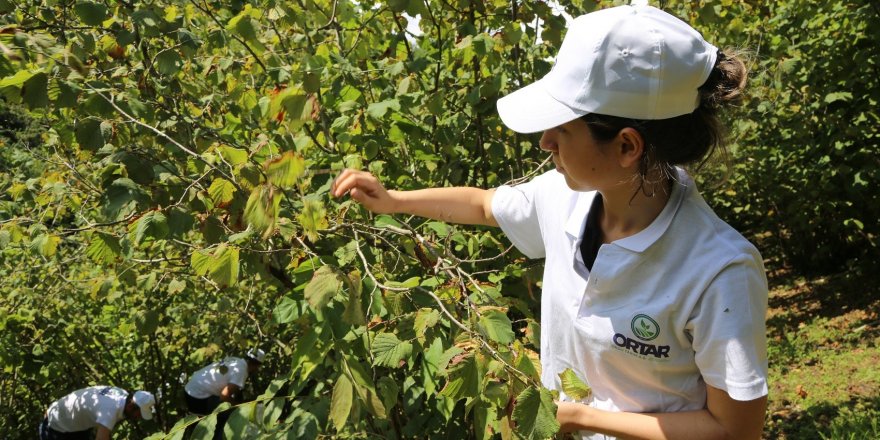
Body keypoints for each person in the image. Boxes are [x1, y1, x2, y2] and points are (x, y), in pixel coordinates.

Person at [331, 2, 768, 439]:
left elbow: (733, 431)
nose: (544, 142)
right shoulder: (566, 197)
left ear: (626, 147)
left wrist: (578, 417)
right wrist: (393, 200)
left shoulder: (719, 271)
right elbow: (484, 205)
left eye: (562, 128)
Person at [184, 348, 265, 438]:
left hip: (191, 388)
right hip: (198, 395)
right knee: (225, 416)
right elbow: (224, 396)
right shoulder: (241, 371)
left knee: (202, 423)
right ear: (257, 366)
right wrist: (239, 407)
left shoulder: (235, 361)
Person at [39, 386, 155, 440]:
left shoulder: (120, 393)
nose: (138, 418)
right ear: (130, 406)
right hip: (55, 428)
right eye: (139, 414)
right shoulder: (110, 411)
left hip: (74, 424)